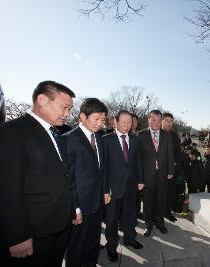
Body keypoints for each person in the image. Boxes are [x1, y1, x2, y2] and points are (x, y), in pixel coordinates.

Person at [0, 81, 75, 267]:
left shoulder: (56, 133)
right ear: (42, 100)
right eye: (64, 107)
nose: (68, 114)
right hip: (30, 234)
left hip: (58, 228)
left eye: (70, 109)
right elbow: (7, 192)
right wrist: (18, 236)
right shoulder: (10, 133)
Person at [63, 98, 109, 267]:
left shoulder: (99, 138)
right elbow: (68, 178)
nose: (99, 123)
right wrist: (75, 208)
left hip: (97, 203)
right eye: (96, 119)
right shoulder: (68, 139)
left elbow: (102, 170)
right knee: (76, 245)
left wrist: (105, 191)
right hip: (80, 205)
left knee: (92, 242)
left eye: (102, 120)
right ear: (83, 116)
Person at [103, 110, 144, 262]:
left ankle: (130, 238)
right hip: (114, 188)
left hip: (131, 186)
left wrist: (140, 180)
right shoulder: (106, 140)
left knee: (130, 215)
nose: (127, 126)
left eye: (130, 123)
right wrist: (105, 188)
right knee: (112, 219)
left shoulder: (134, 139)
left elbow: (138, 162)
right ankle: (111, 246)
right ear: (116, 122)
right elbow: (103, 168)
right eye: (124, 122)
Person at [137, 110, 174, 236]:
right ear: (148, 120)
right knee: (148, 200)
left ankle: (159, 222)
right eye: (153, 120)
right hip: (147, 174)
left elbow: (170, 154)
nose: (156, 123)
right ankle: (148, 224)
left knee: (161, 198)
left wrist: (170, 170)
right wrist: (140, 177)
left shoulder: (167, 135)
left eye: (159, 120)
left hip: (163, 173)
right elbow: (139, 158)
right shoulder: (141, 135)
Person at [162, 112, 180, 223]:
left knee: (169, 193)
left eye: (171, 121)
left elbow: (178, 152)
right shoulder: (156, 133)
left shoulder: (174, 135)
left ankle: (167, 212)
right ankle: (156, 214)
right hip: (158, 170)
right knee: (158, 193)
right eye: (167, 121)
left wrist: (174, 162)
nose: (169, 123)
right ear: (162, 121)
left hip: (171, 170)